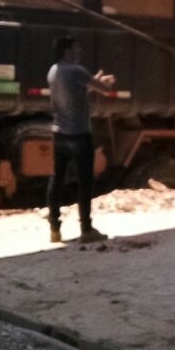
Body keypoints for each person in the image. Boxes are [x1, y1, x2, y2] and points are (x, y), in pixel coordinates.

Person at [46, 35, 116, 244]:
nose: (79, 51)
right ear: (67, 49)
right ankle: (86, 229)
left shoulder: (53, 70)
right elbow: (105, 89)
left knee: (56, 180)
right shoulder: (77, 70)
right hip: (79, 134)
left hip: (59, 133)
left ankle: (54, 229)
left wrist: (93, 81)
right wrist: (105, 82)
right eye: (76, 47)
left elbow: (76, 88)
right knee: (85, 182)